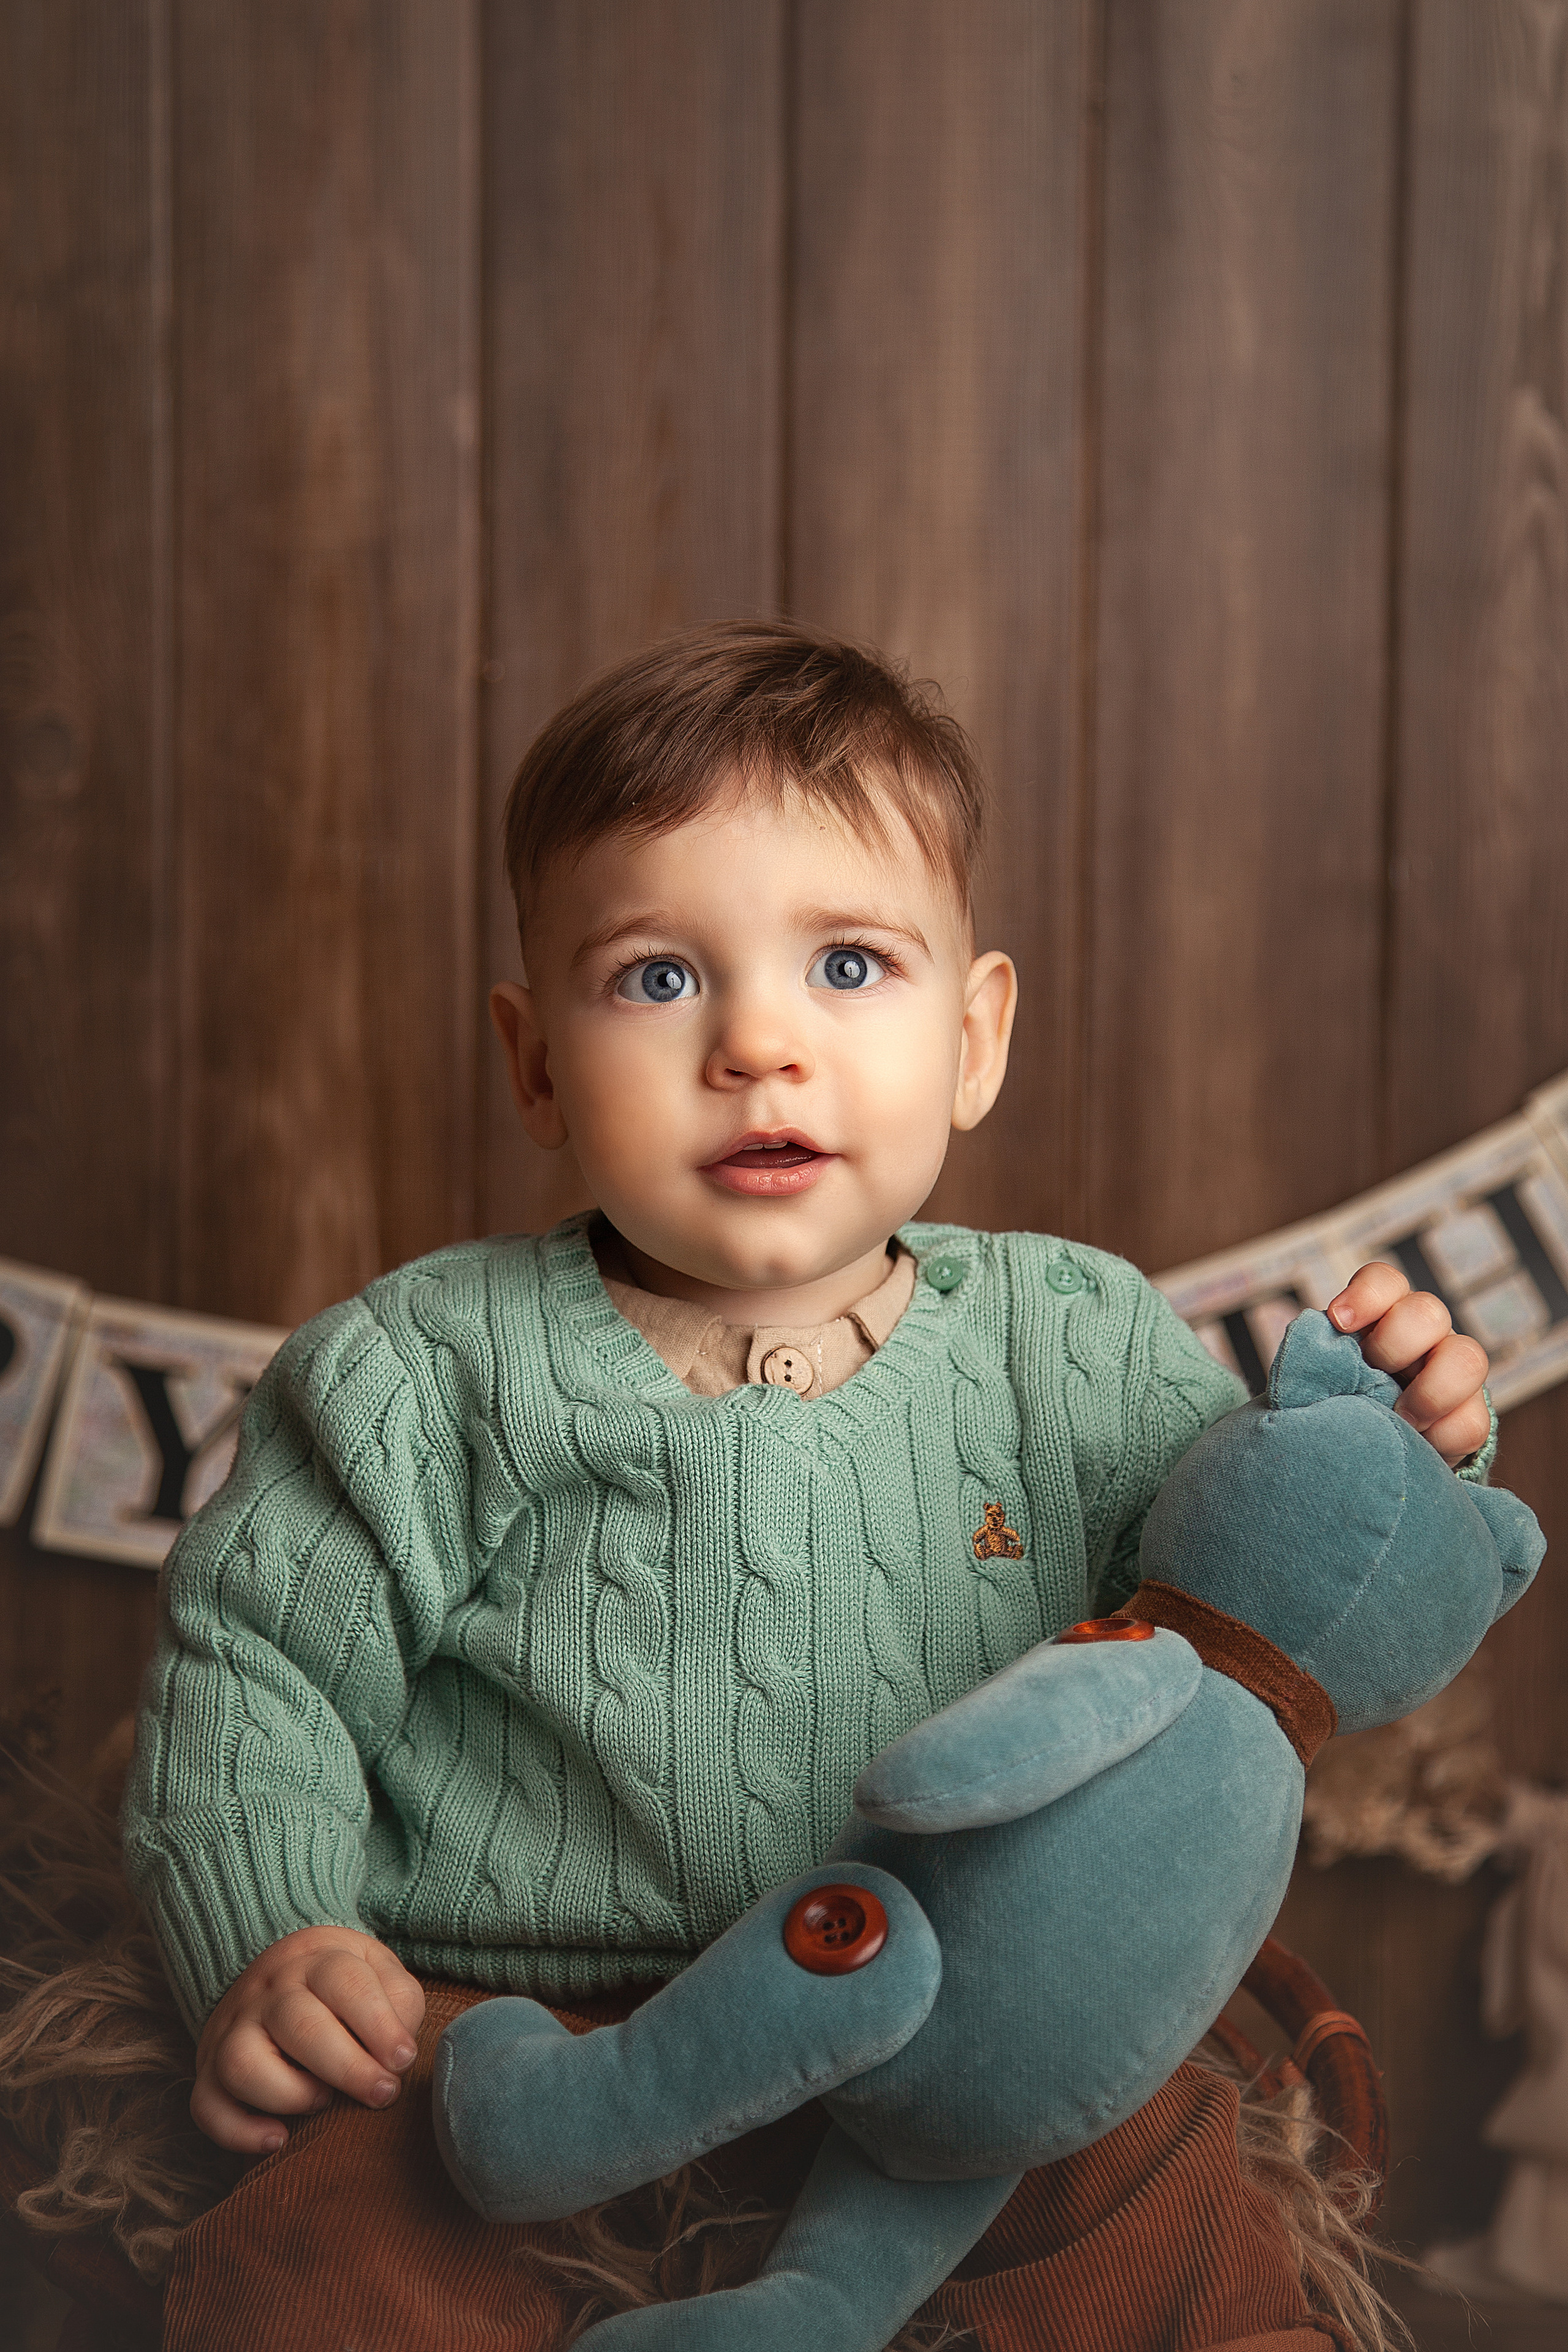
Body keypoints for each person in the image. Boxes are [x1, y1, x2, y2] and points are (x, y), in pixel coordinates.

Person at [122, 620, 1494, 2348]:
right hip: (534, 2036)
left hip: (960, 2039)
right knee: (323, 2249)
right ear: (535, 1059)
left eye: (848, 967)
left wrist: (1402, 1438)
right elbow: (255, 1670)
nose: (758, 1046)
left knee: (1165, 2203)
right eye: (657, 977)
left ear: (974, 1037)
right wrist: (282, 1937)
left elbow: (1267, 1593)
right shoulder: (422, 1366)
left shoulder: (1070, 1339)